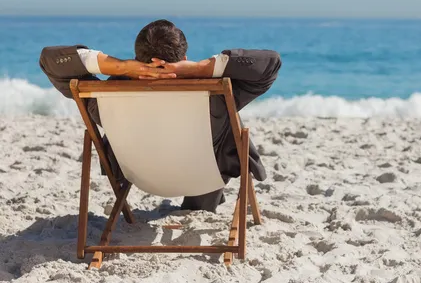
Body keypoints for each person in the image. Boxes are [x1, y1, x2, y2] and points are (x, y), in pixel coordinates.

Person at [39, 19, 281, 212]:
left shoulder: (105, 97)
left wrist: (121, 67)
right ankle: (200, 205)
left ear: (136, 59)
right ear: (183, 60)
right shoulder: (216, 96)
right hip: (204, 175)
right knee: (227, 125)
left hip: (138, 174)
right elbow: (270, 63)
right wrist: (200, 69)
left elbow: (51, 61)